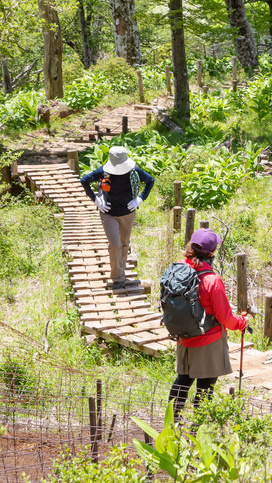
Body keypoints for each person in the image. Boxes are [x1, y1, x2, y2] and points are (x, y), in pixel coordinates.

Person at [167, 228, 249, 418]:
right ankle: (198, 431)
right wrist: (242, 322)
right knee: (204, 390)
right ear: (212, 254)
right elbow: (226, 319)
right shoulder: (212, 280)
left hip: (184, 338)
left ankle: (171, 424)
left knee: (182, 382)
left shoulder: (178, 269)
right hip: (208, 341)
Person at [80, 146, 155, 289]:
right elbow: (84, 181)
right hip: (108, 213)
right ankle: (118, 278)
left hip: (128, 212)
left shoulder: (134, 170)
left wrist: (140, 199)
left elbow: (150, 181)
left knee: (124, 243)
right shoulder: (104, 172)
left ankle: (120, 270)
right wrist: (97, 200)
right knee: (115, 245)